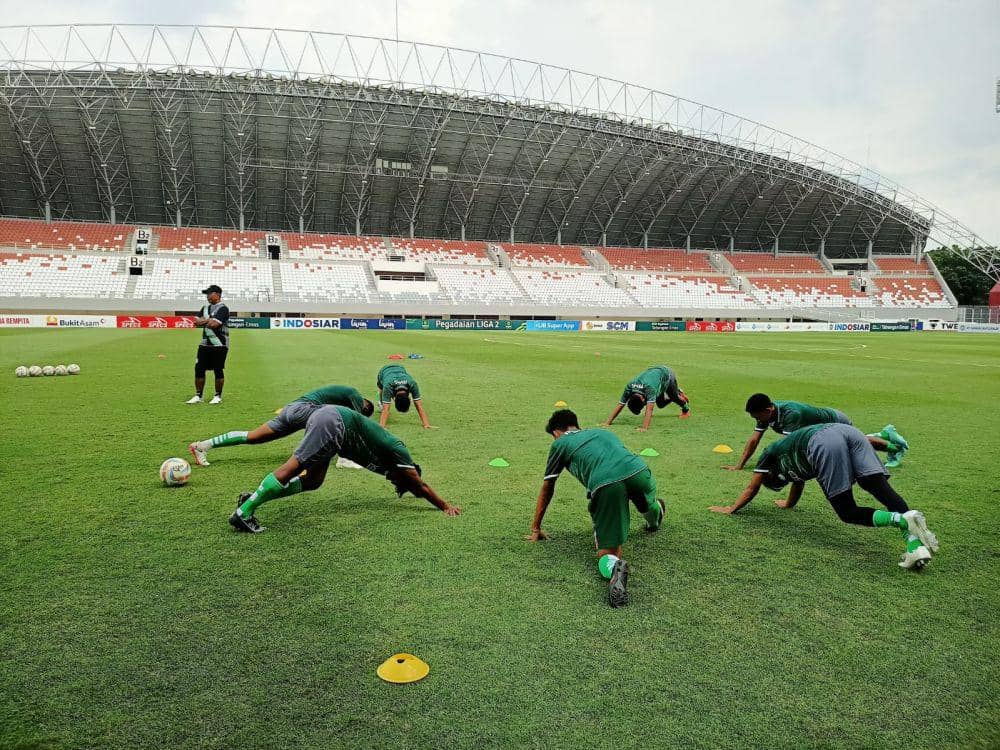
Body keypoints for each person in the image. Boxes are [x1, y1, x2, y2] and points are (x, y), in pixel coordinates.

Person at [709, 423, 938, 571]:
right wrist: (788, 504)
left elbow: (752, 488)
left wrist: (731, 508)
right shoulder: (795, 466)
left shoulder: (769, 455)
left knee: (847, 511)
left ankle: (900, 519)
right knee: (877, 487)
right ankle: (915, 546)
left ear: (769, 474)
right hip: (849, 432)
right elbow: (798, 482)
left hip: (822, 441)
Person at [228, 405, 460, 533]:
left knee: (313, 480)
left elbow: (415, 487)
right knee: (292, 468)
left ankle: (255, 498)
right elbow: (420, 486)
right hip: (334, 422)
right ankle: (244, 512)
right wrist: (445, 506)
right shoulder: (399, 453)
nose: (394, 483)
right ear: (407, 472)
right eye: (401, 482)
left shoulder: (390, 469)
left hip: (334, 434)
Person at [526, 409, 665, 607]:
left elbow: (548, 486)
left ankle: (615, 567)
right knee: (646, 504)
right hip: (638, 469)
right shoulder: (602, 432)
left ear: (556, 432)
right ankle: (655, 516)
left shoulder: (560, 443)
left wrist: (536, 528)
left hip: (607, 483)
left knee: (608, 550)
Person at [187, 384, 375, 466]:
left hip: (291, 410)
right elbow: (357, 424)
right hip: (303, 409)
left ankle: (202, 446)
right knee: (334, 423)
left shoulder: (342, 400)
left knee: (253, 436)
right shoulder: (355, 396)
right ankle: (344, 459)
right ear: (364, 405)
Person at [723, 393, 909, 471]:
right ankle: (885, 435)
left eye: (757, 416)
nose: (757, 420)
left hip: (834, 420)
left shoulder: (791, 415)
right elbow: (754, 440)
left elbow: (788, 447)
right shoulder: (765, 414)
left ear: (768, 410)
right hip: (819, 428)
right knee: (855, 442)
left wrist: (772, 469)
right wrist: (740, 465)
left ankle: (895, 448)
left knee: (856, 443)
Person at [603, 365, 690, 431]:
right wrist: (607, 422)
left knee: (674, 397)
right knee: (660, 404)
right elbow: (620, 405)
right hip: (655, 376)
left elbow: (650, 409)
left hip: (666, 374)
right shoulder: (629, 387)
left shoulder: (649, 388)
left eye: (643, 406)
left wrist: (644, 427)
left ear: (642, 399)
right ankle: (677, 391)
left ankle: (685, 410)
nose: (645, 405)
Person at [187, 285, 230, 404]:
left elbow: (214, 325)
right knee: (199, 369)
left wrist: (205, 321)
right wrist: (210, 319)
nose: (207, 296)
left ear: (217, 294)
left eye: (210, 293)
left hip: (219, 344)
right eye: (207, 294)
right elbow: (196, 322)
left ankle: (217, 396)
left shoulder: (223, 309)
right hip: (205, 343)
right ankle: (198, 396)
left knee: (218, 369)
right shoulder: (205, 307)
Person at [376, 363, 434, 428]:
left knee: (386, 394)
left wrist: (426, 424)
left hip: (400, 368)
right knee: (382, 390)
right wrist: (382, 426)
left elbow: (418, 405)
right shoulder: (388, 385)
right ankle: (380, 403)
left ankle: (384, 400)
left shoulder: (412, 384)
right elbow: (386, 409)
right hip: (384, 371)